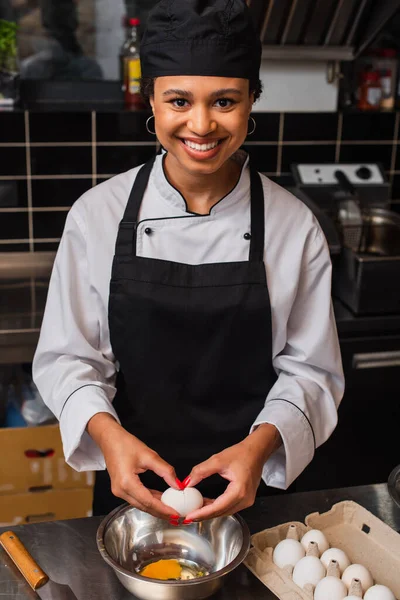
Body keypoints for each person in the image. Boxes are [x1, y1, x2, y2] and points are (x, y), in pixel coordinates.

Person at [33, 0, 344, 524]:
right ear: (151, 99)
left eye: (225, 101)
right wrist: (108, 441)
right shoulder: (98, 215)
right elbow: (68, 357)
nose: (201, 124)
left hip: (250, 486)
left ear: (252, 102)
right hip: (129, 483)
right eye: (180, 100)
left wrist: (258, 450)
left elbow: (310, 372)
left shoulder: (294, 226)